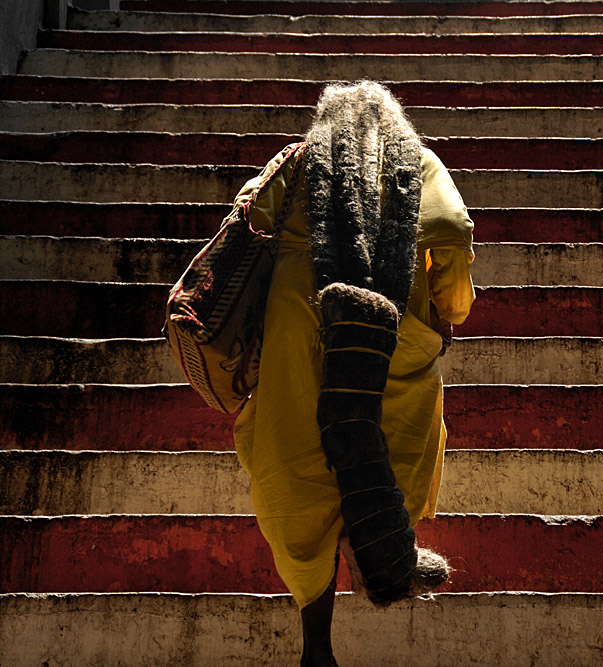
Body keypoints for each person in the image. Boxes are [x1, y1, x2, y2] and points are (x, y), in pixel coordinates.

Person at [230, 81, 475, 666]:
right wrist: (451, 306)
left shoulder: (300, 160)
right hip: (394, 330)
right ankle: (377, 544)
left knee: (297, 471)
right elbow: (454, 230)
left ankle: (316, 640)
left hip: (302, 330)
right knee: (399, 449)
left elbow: (249, 214)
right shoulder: (415, 162)